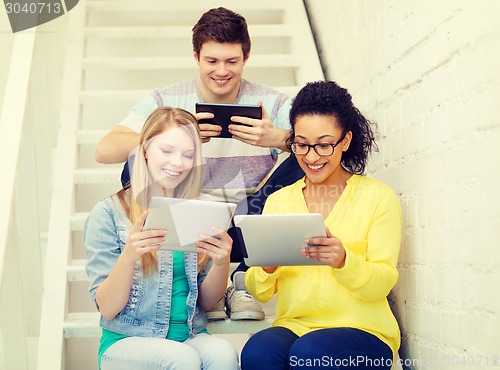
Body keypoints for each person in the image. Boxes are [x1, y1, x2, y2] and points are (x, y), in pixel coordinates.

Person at [95, 7, 304, 321]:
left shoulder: (272, 102)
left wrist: (278, 139)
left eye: (232, 61)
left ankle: (242, 279)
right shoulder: (168, 100)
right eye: (212, 61)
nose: (222, 71)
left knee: (306, 157)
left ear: (246, 57)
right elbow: (105, 150)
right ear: (196, 56)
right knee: (138, 154)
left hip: (248, 216)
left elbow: (326, 146)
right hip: (184, 215)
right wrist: (177, 135)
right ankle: (186, 278)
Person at [241, 81, 402, 370]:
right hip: (296, 327)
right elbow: (259, 292)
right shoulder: (278, 201)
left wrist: (343, 261)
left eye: (324, 145)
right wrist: (267, 268)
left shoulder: (378, 197)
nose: (311, 157)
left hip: (366, 332)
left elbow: (383, 282)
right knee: (257, 351)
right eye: (301, 144)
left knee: (310, 353)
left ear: (346, 140)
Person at [84, 107, 240, 370]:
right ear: (145, 149)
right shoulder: (108, 214)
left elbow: (206, 301)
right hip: (127, 341)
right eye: (166, 151)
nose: (178, 163)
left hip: (189, 336)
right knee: (182, 359)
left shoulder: (197, 210)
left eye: (188, 155)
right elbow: (107, 309)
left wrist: (222, 262)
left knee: (223, 353)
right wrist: (129, 257)